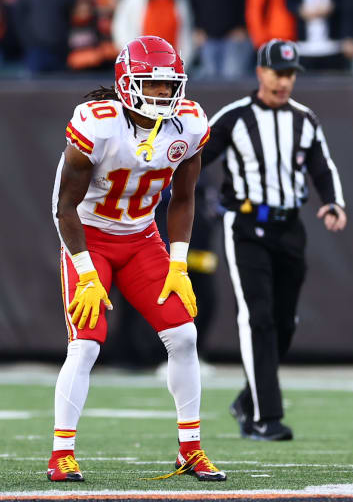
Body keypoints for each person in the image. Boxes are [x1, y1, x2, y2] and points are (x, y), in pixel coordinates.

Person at [48, 35, 224, 483]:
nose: (164, 95)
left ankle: (190, 449)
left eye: (170, 86)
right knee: (85, 343)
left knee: (184, 336)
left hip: (142, 236)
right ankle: (61, 452)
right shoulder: (97, 124)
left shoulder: (187, 124)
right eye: (153, 85)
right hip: (89, 237)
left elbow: (183, 200)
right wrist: (86, 273)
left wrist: (178, 263)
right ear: (128, 84)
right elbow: (63, 207)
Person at [203, 39, 347, 441]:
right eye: (278, 73)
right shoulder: (233, 118)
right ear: (260, 72)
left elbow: (322, 166)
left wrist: (333, 202)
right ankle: (266, 418)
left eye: (290, 74)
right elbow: (194, 159)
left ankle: (248, 401)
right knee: (258, 319)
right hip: (246, 226)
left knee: (284, 322)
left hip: (289, 228)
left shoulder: (305, 119)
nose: (284, 81)